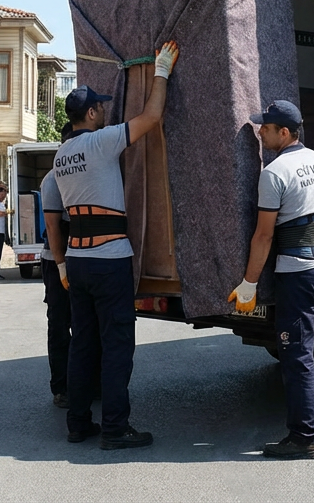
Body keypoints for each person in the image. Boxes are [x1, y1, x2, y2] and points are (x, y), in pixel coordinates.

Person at [55, 41, 180, 450]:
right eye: (101, 107)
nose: (105, 112)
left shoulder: (61, 155)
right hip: (109, 260)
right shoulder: (101, 142)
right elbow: (152, 117)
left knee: (83, 343)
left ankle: (78, 423)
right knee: (117, 344)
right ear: (91, 113)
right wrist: (161, 71)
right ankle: (114, 427)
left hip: (77, 259)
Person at [228, 100, 314, 460]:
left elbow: (264, 235)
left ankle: (304, 437)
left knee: (297, 355)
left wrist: (249, 283)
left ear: (284, 132)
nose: (260, 132)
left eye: (266, 128)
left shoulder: (275, 172)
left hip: (300, 272)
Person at [40, 123, 75, 408]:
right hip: (57, 261)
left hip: (82, 258)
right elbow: (53, 228)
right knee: (60, 326)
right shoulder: (53, 178)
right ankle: (61, 387)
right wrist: (62, 266)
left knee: (86, 326)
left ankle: (88, 382)